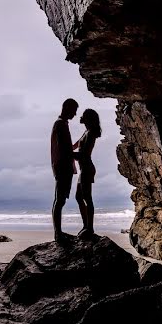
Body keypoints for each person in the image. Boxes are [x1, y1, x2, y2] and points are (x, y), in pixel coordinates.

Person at [51, 98, 78, 241]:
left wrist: (78, 145)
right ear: (67, 109)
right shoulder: (60, 124)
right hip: (63, 167)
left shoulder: (61, 124)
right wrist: (81, 155)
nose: (74, 115)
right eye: (73, 111)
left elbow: (66, 147)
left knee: (59, 200)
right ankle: (58, 233)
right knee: (59, 200)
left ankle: (58, 232)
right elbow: (64, 150)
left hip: (61, 166)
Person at [73, 108, 101, 238]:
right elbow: (75, 145)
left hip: (87, 168)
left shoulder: (90, 134)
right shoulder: (86, 132)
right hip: (84, 169)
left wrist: (68, 154)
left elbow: (83, 155)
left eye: (83, 115)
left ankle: (90, 228)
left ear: (88, 118)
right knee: (79, 197)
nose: (81, 117)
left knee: (87, 198)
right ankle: (86, 225)